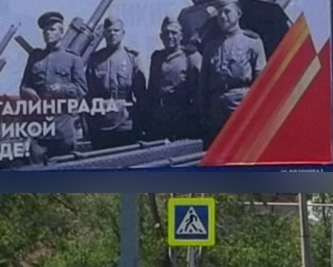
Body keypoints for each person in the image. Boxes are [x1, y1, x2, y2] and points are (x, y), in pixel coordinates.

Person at [18, 10, 87, 160]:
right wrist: (28, 91)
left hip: (63, 127)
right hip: (38, 128)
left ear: (61, 32)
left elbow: (82, 90)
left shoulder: (72, 59)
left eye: (52, 29)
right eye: (45, 30)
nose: (47, 33)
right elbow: (23, 86)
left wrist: (62, 88)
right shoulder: (35, 58)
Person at [200, 0, 266, 143]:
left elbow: (261, 80)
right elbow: (203, 83)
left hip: (241, 105)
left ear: (238, 14)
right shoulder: (210, 46)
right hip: (216, 107)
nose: (223, 17)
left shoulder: (252, 41)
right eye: (219, 13)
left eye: (227, 12)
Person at [84, 17, 145, 149]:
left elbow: (141, 95)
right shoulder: (95, 59)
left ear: (123, 33)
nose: (112, 34)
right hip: (100, 123)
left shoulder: (132, 58)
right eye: (109, 31)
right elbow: (88, 94)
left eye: (116, 30)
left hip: (125, 122)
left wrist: (140, 122)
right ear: (104, 34)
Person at [145, 15, 202, 141]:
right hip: (159, 120)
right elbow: (151, 91)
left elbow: (199, 93)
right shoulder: (156, 58)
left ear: (181, 35)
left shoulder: (191, 57)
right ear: (161, 37)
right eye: (166, 33)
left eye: (174, 33)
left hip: (182, 120)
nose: (170, 37)